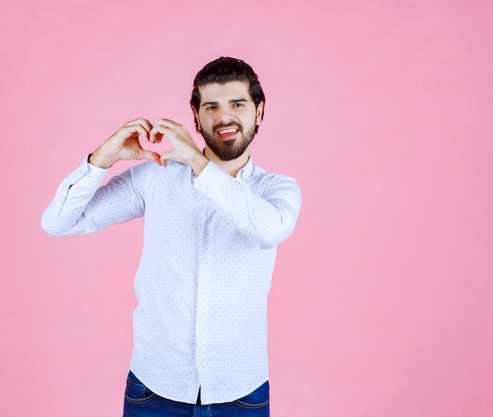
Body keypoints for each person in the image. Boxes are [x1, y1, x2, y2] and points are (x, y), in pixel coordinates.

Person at [41, 56, 302, 416]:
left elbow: (268, 231)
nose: (224, 117)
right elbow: (59, 222)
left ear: (259, 111)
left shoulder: (277, 189)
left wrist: (198, 163)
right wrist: (102, 158)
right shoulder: (156, 177)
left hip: (241, 393)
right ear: (195, 117)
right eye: (211, 107)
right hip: (154, 390)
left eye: (237, 104)